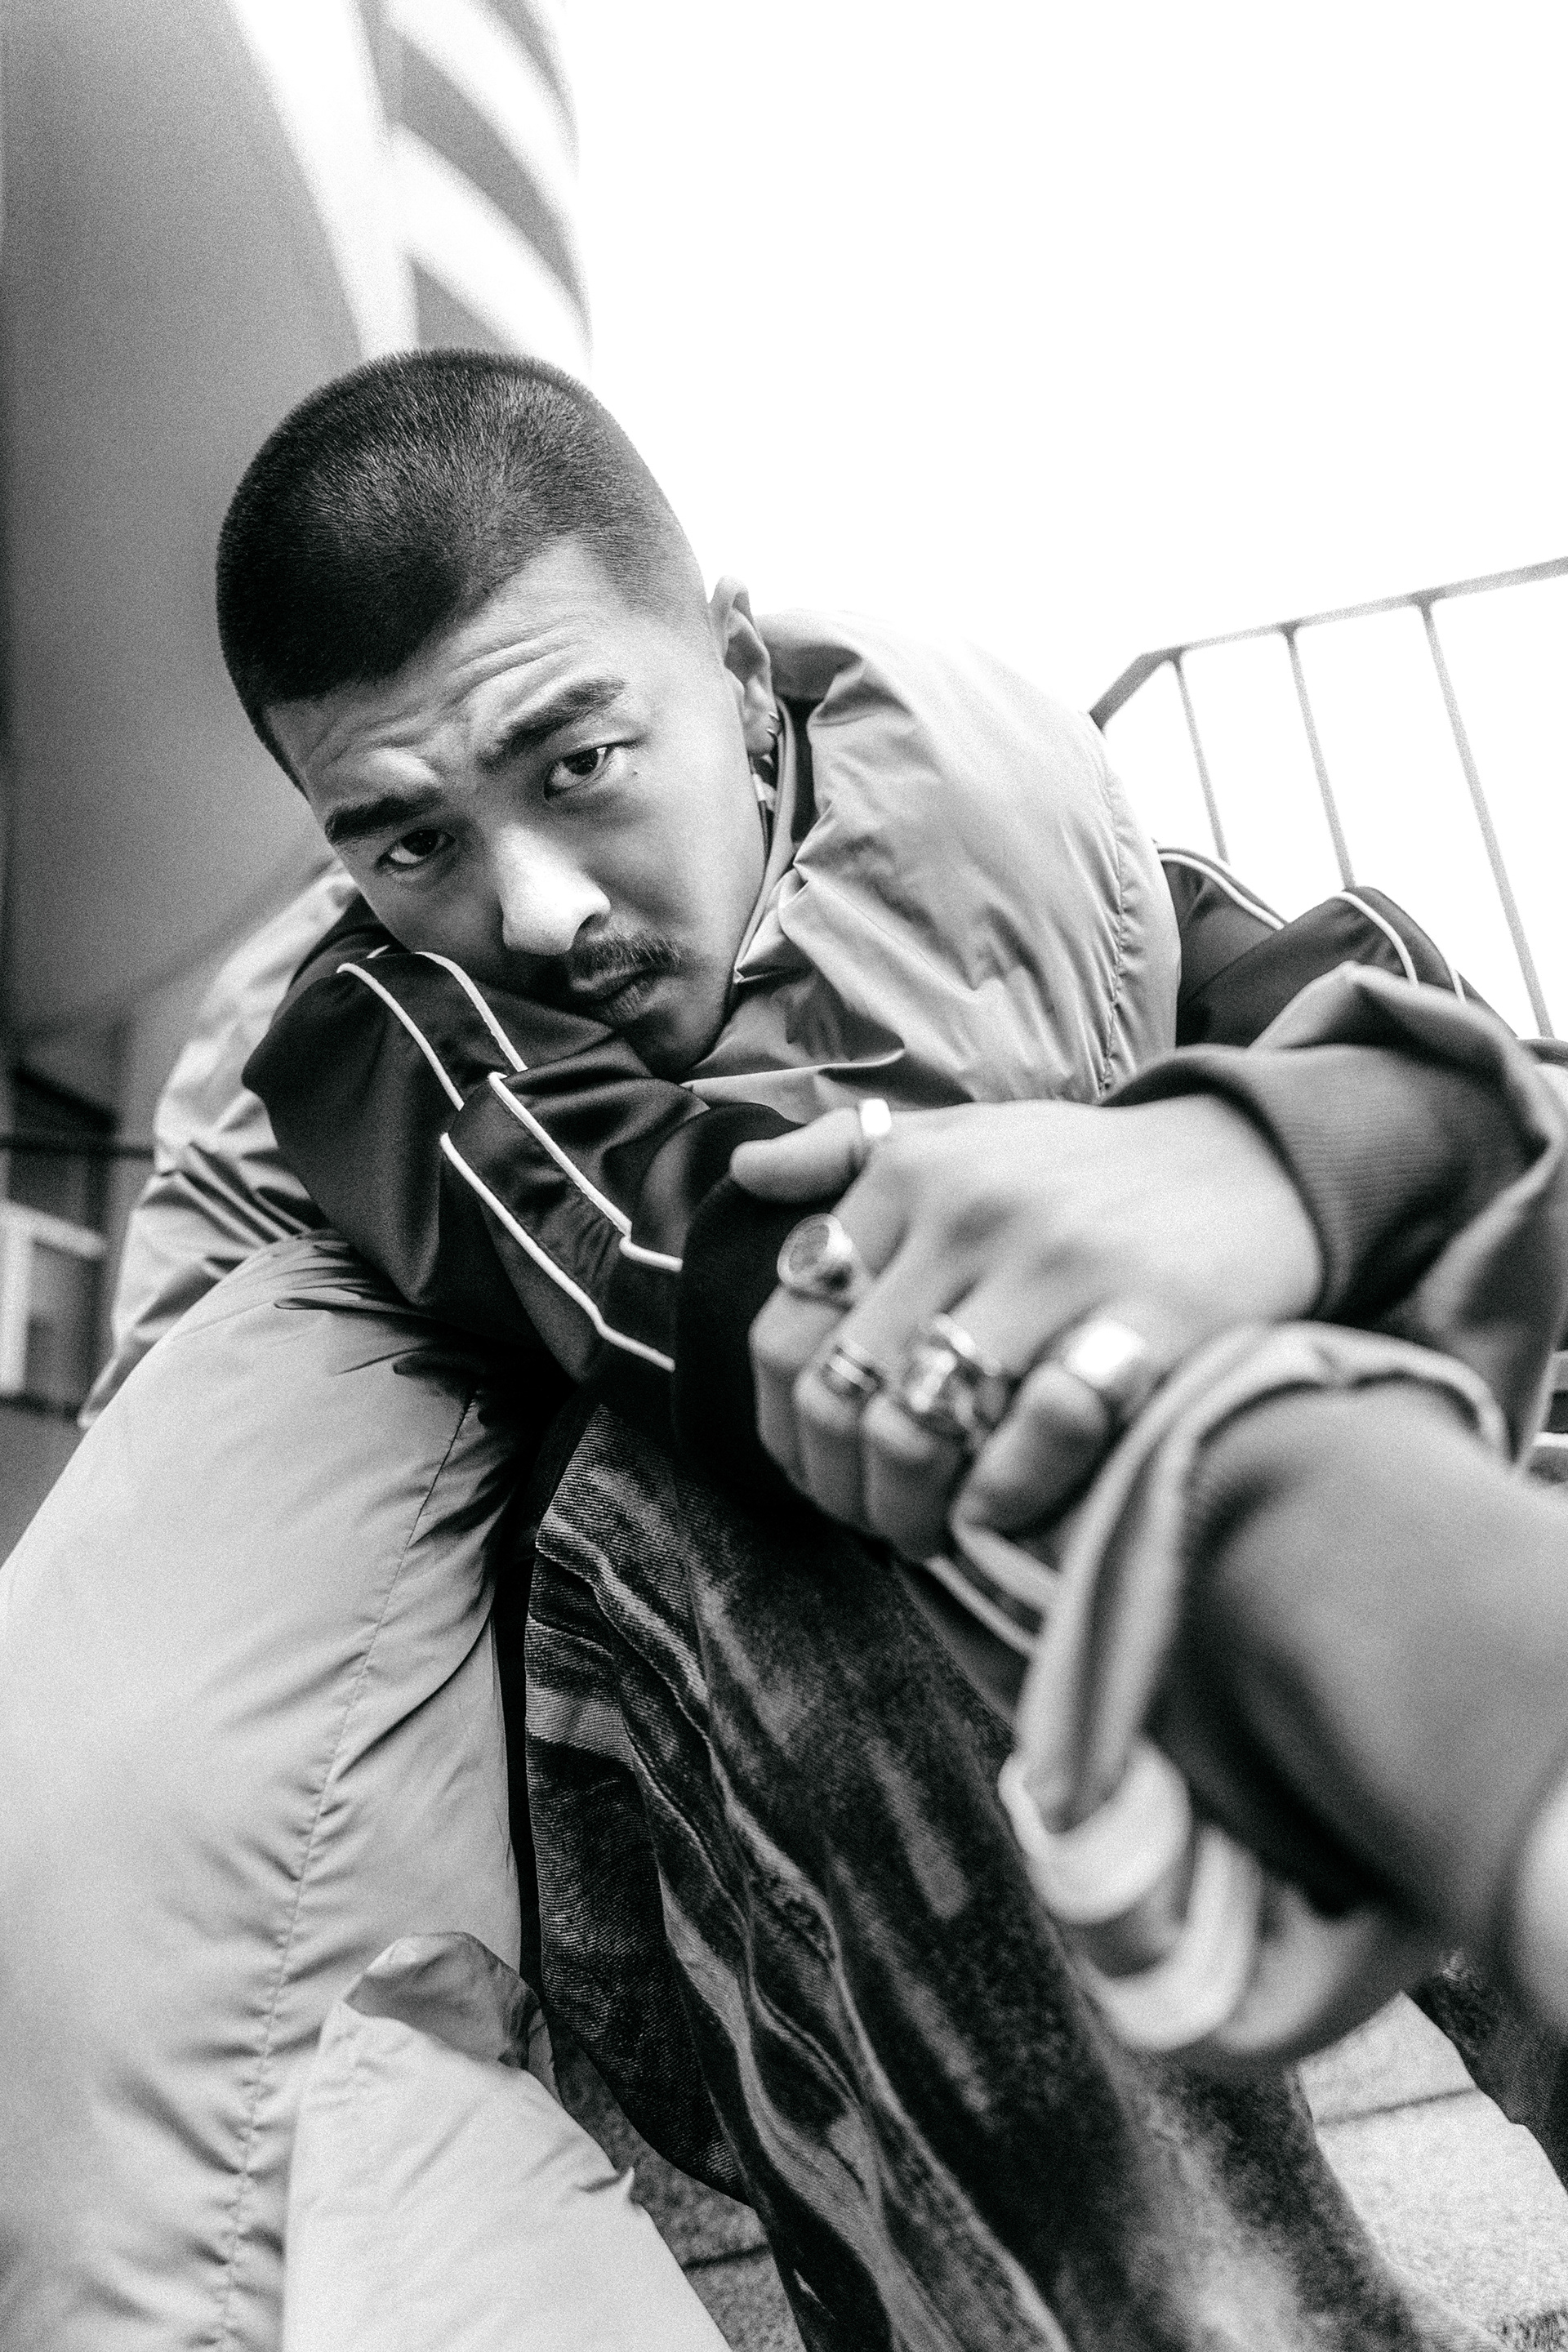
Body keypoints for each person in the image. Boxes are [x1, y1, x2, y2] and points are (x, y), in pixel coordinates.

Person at [53, 345, 1538, 2347]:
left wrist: (1251, 1166)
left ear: (741, 685)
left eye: (580, 764)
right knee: (751, 1460)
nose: (534, 909)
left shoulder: (1034, 868)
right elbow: (674, 1268)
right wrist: (1140, 1248)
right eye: (407, 844)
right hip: (622, 1796)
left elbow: (1452, 1087)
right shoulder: (370, 1028)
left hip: (1101, 1648)